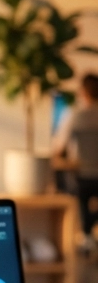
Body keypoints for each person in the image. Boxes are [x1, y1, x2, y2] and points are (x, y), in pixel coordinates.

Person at [53, 73, 98, 236]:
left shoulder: (75, 116)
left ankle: (85, 231)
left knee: (66, 185)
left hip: (82, 177)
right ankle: (87, 230)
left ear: (83, 92)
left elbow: (59, 148)